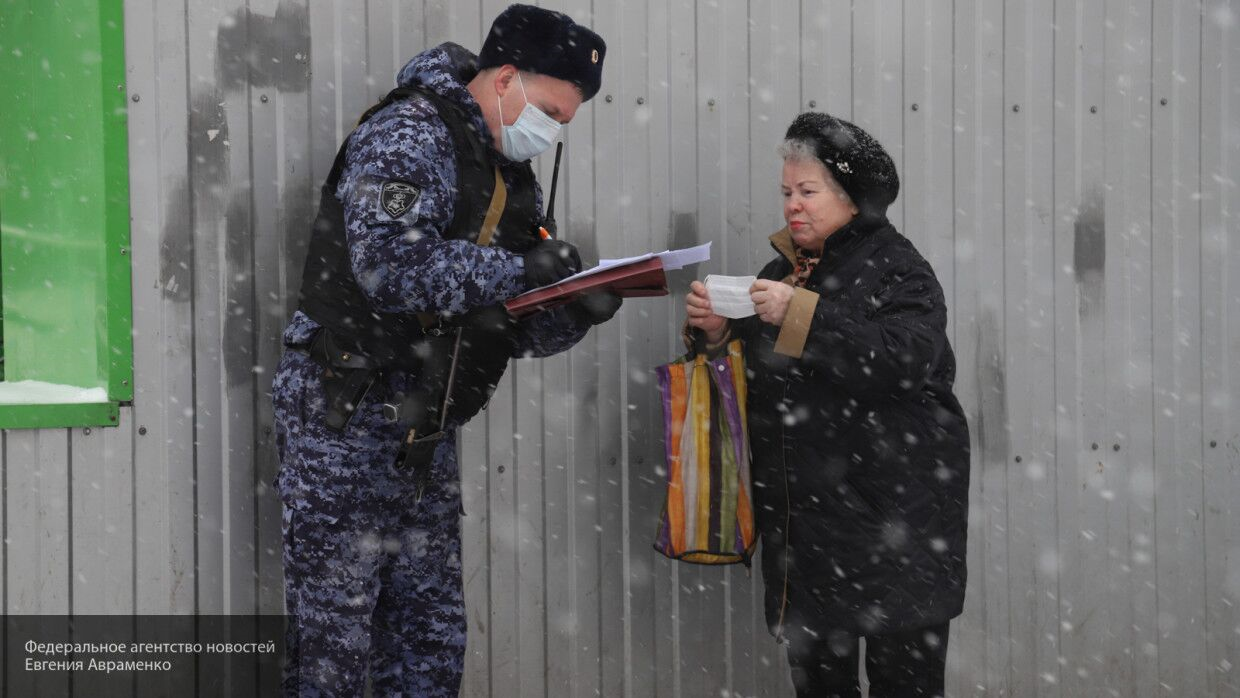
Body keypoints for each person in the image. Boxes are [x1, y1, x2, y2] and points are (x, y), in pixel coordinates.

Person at [271, 5, 619, 696]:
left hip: (422, 420)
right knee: (334, 644)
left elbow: (509, 322)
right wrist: (519, 273)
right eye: (549, 111)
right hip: (346, 412)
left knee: (427, 641)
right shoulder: (407, 135)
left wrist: (576, 308)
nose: (549, 134)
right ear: (507, 80)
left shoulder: (504, 174)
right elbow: (390, 267)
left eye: (564, 124)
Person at [684, 112, 970, 697]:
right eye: (787, 191)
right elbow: (749, 391)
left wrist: (799, 313)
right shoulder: (782, 273)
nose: (793, 205)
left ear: (853, 199)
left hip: (895, 531)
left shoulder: (900, 269)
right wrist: (715, 335)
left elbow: (903, 360)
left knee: (905, 685)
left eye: (808, 192)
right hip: (809, 535)